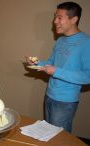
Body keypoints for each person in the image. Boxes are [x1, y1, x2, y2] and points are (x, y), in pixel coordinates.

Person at [26, 2, 90, 133]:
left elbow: (88, 76)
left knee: (59, 139)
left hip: (65, 102)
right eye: (55, 17)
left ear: (74, 19)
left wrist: (57, 71)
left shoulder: (86, 42)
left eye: (59, 17)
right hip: (49, 95)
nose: (55, 21)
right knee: (48, 136)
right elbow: (51, 63)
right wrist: (37, 63)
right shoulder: (60, 40)